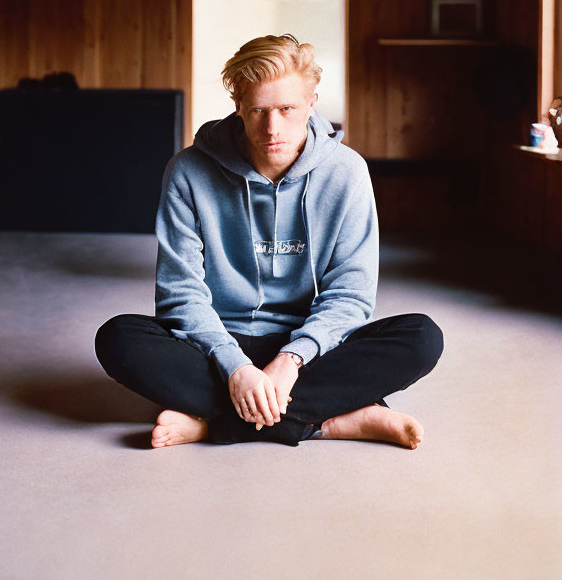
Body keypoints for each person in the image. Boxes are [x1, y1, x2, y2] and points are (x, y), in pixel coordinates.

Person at [95, 34, 444, 448]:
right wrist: (235, 367)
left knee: (422, 337)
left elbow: (350, 295)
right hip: (214, 344)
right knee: (117, 338)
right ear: (238, 105)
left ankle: (212, 424)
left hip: (307, 346)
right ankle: (330, 420)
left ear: (312, 102)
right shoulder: (188, 171)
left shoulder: (347, 173)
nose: (272, 128)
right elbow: (180, 294)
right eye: (258, 110)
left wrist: (292, 359)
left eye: (286, 109)